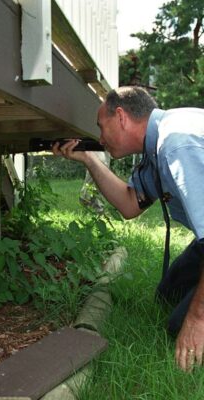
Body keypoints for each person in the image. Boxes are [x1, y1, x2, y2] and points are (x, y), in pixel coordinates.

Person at [52, 86, 204, 372]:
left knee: (181, 324)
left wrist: (198, 320)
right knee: (168, 296)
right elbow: (130, 204)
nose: (100, 138)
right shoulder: (156, 147)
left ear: (120, 116)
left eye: (101, 126)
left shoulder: (176, 143)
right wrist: (88, 159)